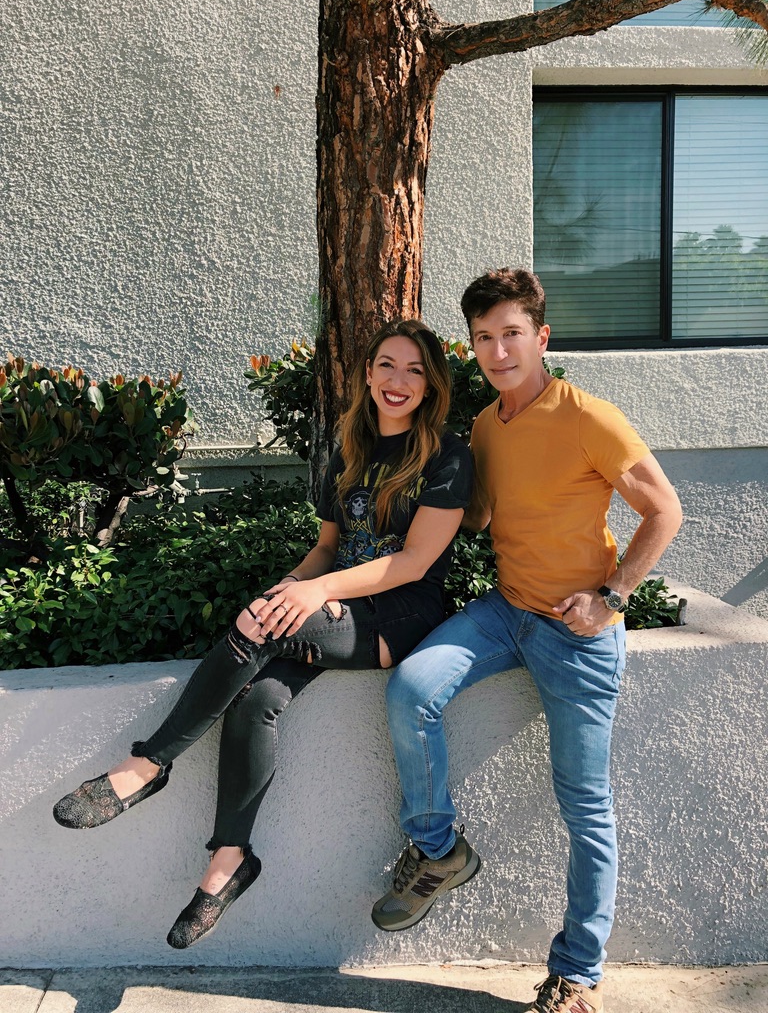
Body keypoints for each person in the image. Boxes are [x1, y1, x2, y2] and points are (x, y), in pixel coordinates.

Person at [53, 319, 473, 950]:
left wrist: (315, 594)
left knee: (259, 626)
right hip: (336, 605)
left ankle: (149, 763)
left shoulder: (447, 455)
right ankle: (229, 861)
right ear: (367, 373)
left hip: (399, 616)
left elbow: (413, 563)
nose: (398, 380)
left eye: (415, 370)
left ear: (432, 384)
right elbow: (328, 547)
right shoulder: (349, 447)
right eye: (387, 365)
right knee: (256, 698)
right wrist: (294, 585)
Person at [371, 270, 683, 1013]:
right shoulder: (485, 425)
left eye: (512, 333)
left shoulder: (589, 418)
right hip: (506, 612)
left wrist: (613, 597)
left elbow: (664, 510)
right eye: (484, 337)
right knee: (412, 688)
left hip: (578, 634)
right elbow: (479, 516)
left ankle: (576, 973)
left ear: (541, 337)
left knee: (585, 806)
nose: (499, 350)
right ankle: (439, 850)